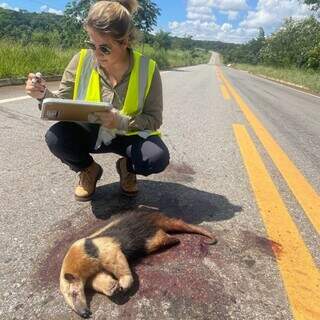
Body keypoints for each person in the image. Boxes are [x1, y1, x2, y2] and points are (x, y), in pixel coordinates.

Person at [25, 0, 169, 201]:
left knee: (156, 158)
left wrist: (120, 121)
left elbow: (153, 119)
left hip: (128, 134)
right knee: (56, 138)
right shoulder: (81, 60)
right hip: (89, 132)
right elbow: (62, 102)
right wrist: (42, 94)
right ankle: (88, 170)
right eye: (92, 44)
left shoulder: (148, 69)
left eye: (105, 48)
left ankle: (127, 167)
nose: (97, 53)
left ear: (124, 41)